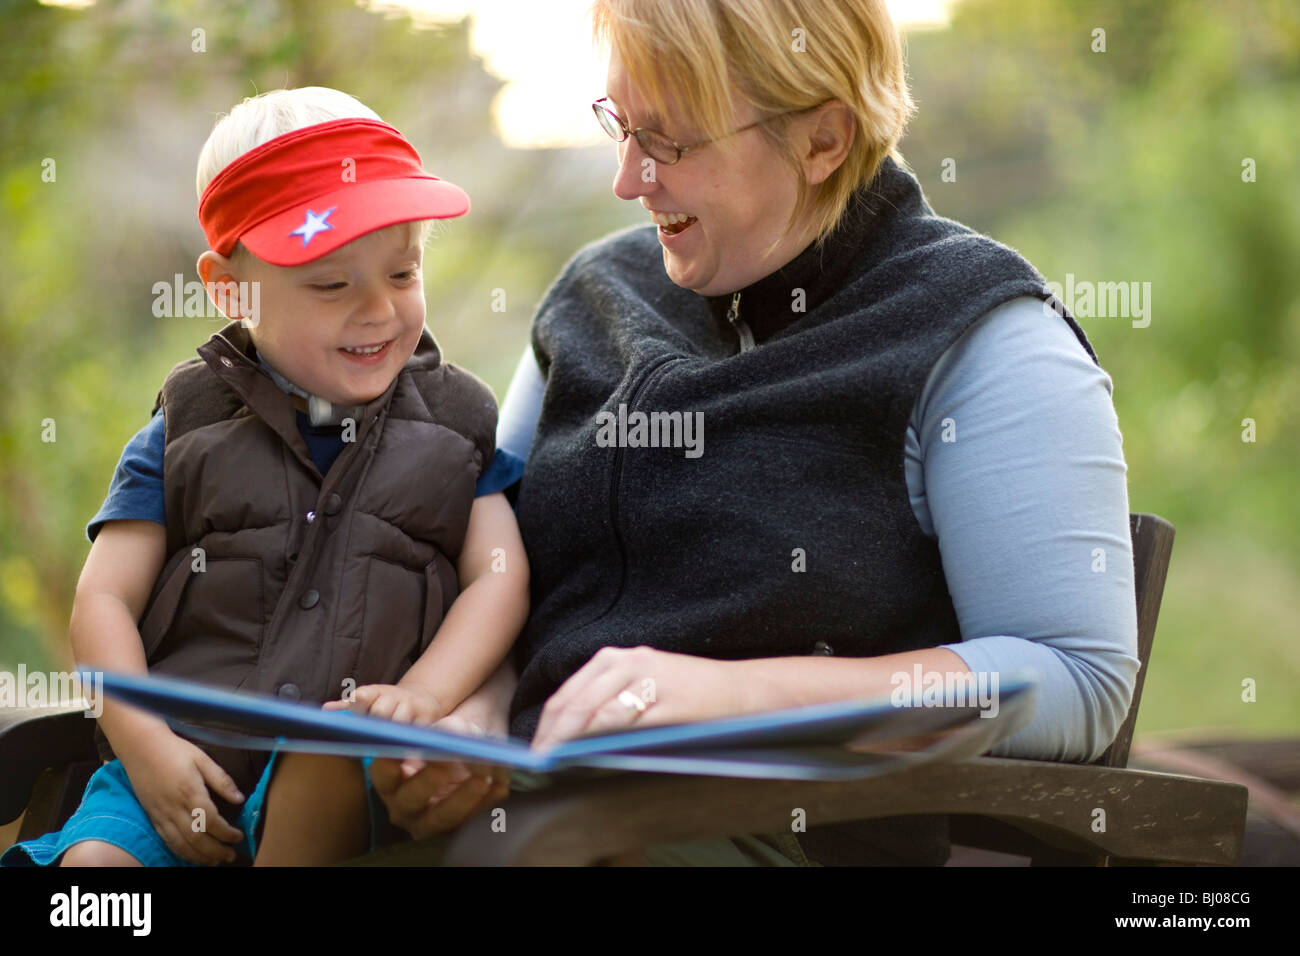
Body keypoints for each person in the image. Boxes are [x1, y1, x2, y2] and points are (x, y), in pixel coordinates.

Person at [370, 0, 1140, 866]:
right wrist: (471, 723)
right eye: (621, 127)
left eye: (671, 142)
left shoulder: (979, 330)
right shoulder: (593, 298)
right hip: (535, 808)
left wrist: (729, 695)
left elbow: (1078, 679)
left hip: (772, 832)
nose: (629, 179)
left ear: (822, 140)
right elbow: (508, 586)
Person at [1, 87, 529, 867]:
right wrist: (143, 745)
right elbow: (103, 599)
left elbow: (500, 577)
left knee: (325, 761)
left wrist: (427, 694)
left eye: (403, 272)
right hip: (186, 756)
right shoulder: (187, 426)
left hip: (348, 761)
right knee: (94, 875)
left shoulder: (456, 425)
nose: (380, 309)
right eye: (331, 285)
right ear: (228, 286)